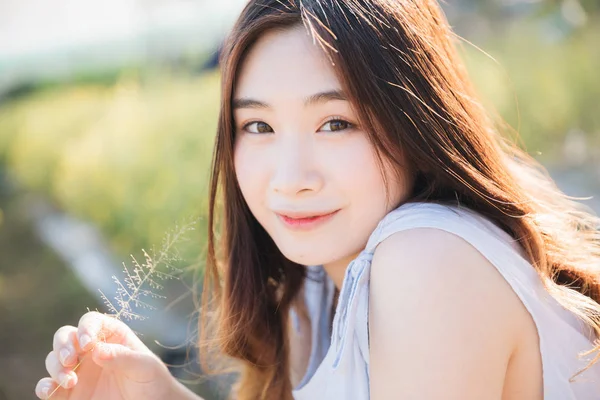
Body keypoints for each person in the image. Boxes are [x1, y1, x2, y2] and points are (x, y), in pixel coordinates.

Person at [35, 0, 600, 399]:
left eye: (335, 122)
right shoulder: (313, 290)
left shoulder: (428, 260)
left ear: (416, 122)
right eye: (257, 127)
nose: (291, 177)